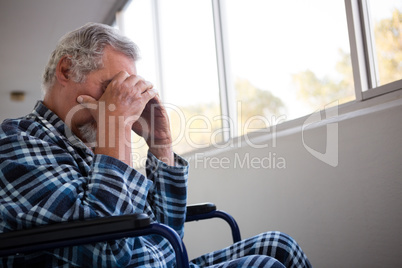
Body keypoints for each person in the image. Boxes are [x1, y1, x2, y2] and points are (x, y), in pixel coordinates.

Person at [0, 23, 312, 267]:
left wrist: (160, 143)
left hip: (162, 261)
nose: (121, 102)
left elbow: (166, 234)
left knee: (278, 244)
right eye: (111, 88)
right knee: (263, 265)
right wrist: (117, 127)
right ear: (67, 71)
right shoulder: (16, 144)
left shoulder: (92, 147)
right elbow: (108, 253)